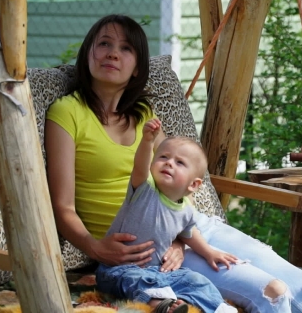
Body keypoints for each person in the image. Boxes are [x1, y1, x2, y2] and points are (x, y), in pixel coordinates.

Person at [45, 14, 302, 313]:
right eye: (104, 44)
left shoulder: (145, 114)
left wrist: (179, 240)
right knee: (272, 293)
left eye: (125, 48)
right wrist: (95, 248)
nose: (112, 53)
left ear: (137, 69)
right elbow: (63, 207)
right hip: (147, 252)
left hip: (192, 230)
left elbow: (177, 186)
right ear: (88, 55)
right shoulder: (67, 112)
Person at [95, 121, 239, 313]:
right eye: (163, 157)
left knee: (195, 280)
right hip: (117, 269)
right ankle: (163, 307)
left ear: (193, 185)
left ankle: (217, 308)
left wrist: (208, 252)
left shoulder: (186, 210)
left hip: (156, 271)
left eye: (179, 163)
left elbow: (188, 234)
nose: (169, 163)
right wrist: (147, 141)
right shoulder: (144, 190)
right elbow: (140, 167)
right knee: (137, 281)